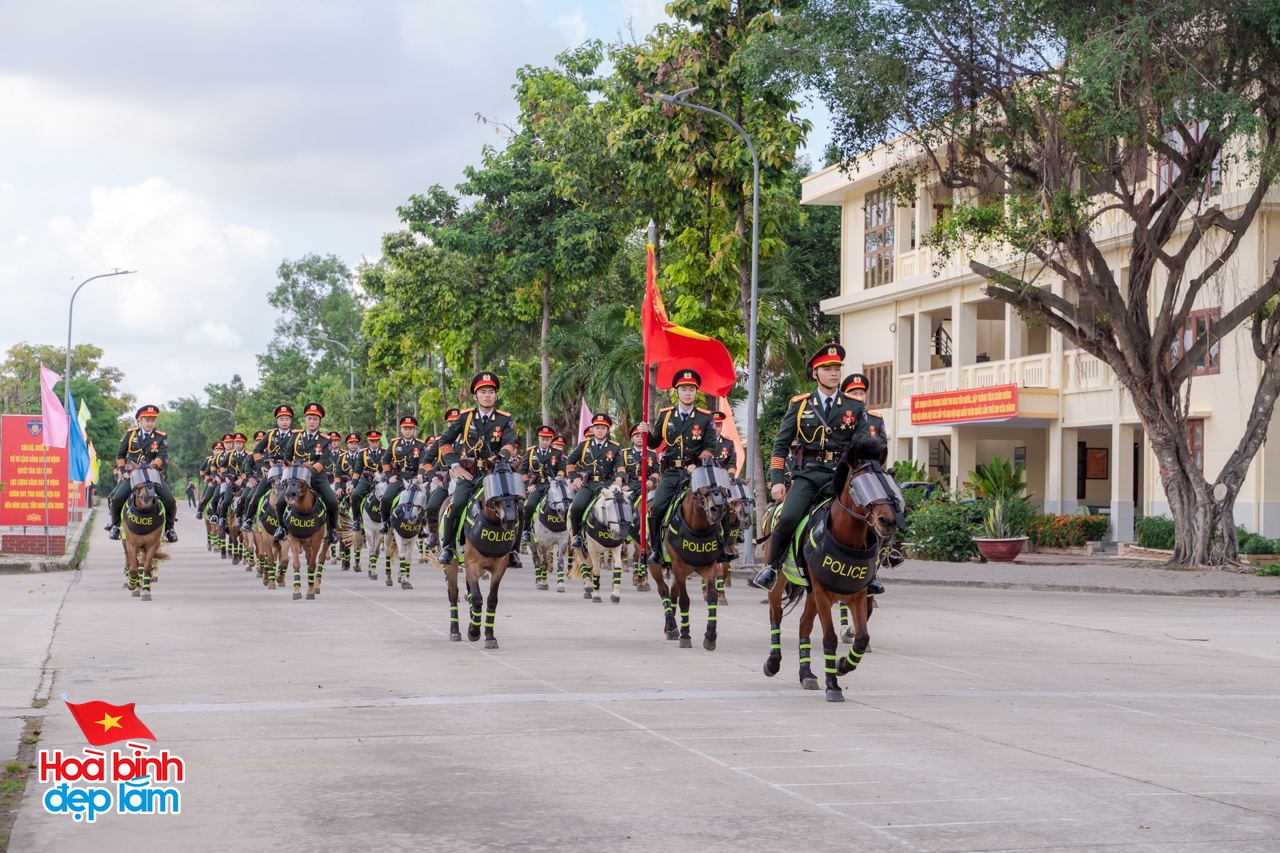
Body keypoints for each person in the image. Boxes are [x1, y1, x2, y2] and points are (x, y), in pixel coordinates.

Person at [751, 342, 875, 591]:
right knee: (787, 517)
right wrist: (777, 480)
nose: (834, 373)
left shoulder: (853, 405)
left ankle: (871, 574)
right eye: (828, 368)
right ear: (815, 373)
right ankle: (772, 568)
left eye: (837, 368)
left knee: (872, 515)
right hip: (809, 475)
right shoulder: (800, 405)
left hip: (843, 476)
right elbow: (780, 445)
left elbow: (864, 446)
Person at [635, 369, 720, 566]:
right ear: (677, 392)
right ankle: (655, 548)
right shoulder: (665, 415)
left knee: (719, 502)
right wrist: (646, 433)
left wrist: (697, 465)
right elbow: (656, 443)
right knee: (656, 508)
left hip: (697, 473)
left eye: (691, 389)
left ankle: (722, 546)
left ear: (696, 392)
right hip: (672, 472)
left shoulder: (705, 417)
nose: (687, 393)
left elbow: (710, 446)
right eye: (683, 389)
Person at [436, 372, 520, 566]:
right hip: (470, 474)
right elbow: (445, 441)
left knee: (518, 506)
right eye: (483, 392)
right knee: (456, 505)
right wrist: (455, 466)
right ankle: (448, 547)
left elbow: (510, 442)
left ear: (496, 395)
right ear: (476, 396)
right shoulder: (465, 417)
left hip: (496, 474)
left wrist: (501, 458)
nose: (487, 395)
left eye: (491, 391)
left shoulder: (504, 419)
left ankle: (513, 550)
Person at [105, 404, 178, 542]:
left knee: (170, 500)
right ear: (140, 420)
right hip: (133, 474)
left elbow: (162, 456)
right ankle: (115, 526)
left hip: (153, 474)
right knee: (116, 498)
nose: (150, 423)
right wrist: (124, 472)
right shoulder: (130, 434)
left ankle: (170, 529)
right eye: (147, 420)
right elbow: (120, 456)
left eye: (153, 420)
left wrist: (152, 465)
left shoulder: (161, 437)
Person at [273, 402, 339, 545]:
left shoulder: (325, 440)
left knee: (332, 501)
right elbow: (287, 457)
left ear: (319, 421)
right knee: (279, 502)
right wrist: (292, 468)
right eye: (309, 418)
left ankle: (333, 530)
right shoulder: (296, 436)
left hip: (316, 477)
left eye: (315, 419)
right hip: (296, 476)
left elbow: (323, 461)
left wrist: (308, 471)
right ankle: (282, 528)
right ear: (305, 420)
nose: (312, 421)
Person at [566, 412, 625, 551]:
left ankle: (622, 538)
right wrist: (574, 478)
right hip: (589, 485)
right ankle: (576, 536)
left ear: (607, 430)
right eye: (597, 427)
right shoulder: (584, 445)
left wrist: (619, 478)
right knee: (576, 507)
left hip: (607, 485)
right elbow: (570, 461)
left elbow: (620, 465)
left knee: (620, 507)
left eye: (603, 428)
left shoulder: (614, 447)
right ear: (592, 429)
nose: (600, 430)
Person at [242, 406, 296, 531]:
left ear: (290, 421)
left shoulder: (296, 435)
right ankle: (249, 520)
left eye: (287, 419)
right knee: (254, 495)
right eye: (281, 419)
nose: (284, 421)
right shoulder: (271, 434)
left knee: (299, 494)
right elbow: (256, 451)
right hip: (273, 469)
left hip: (289, 470)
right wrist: (261, 467)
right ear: (277, 420)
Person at [519, 424, 566, 544]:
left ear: (551, 440)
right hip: (537, 485)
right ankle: (526, 530)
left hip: (552, 486)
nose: (545, 442)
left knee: (562, 505)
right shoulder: (531, 452)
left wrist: (559, 477)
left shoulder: (557, 452)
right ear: (539, 438)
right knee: (528, 506)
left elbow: (561, 469)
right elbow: (523, 471)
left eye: (547, 439)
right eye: (542, 439)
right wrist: (527, 486)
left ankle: (563, 530)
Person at [379, 416, 427, 533]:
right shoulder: (395, 443)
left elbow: (423, 462)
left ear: (414, 429)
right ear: (401, 429)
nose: (407, 430)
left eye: (410, 428)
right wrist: (390, 476)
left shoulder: (420, 445)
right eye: (405, 428)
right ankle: (385, 522)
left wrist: (420, 475)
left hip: (415, 478)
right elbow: (385, 461)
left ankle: (424, 526)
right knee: (385, 499)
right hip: (399, 478)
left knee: (428, 498)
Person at [349, 430, 383, 524]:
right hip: (366, 479)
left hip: (382, 480)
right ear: (368, 441)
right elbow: (357, 471)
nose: (374, 443)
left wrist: (381, 477)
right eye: (372, 441)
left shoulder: (385, 452)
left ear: (379, 441)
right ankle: (357, 520)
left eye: (376, 441)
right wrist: (352, 484)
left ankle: (389, 520)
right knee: (355, 495)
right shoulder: (363, 453)